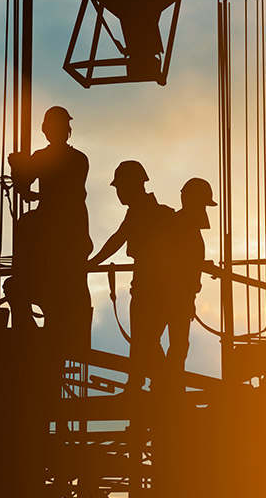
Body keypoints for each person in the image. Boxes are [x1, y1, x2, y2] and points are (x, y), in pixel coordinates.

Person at [7, 106, 92, 352]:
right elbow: (37, 190)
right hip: (73, 230)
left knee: (23, 286)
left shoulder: (47, 157)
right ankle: (64, 334)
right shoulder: (79, 158)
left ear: (46, 129)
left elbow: (24, 186)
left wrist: (17, 166)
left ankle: (31, 333)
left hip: (54, 229)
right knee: (67, 292)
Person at [88, 160, 175, 389]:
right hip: (153, 283)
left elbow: (118, 238)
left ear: (132, 185)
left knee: (143, 338)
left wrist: (91, 263)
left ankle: (143, 383)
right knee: (147, 339)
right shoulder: (144, 210)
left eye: (120, 188)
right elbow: (120, 237)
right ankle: (162, 384)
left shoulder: (144, 211)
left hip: (151, 284)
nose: (118, 193)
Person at [160, 177, 214, 384]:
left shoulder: (183, 227)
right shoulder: (180, 226)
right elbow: (177, 261)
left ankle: (168, 379)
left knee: (179, 344)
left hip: (180, 294)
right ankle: (166, 380)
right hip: (175, 294)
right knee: (178, 343)